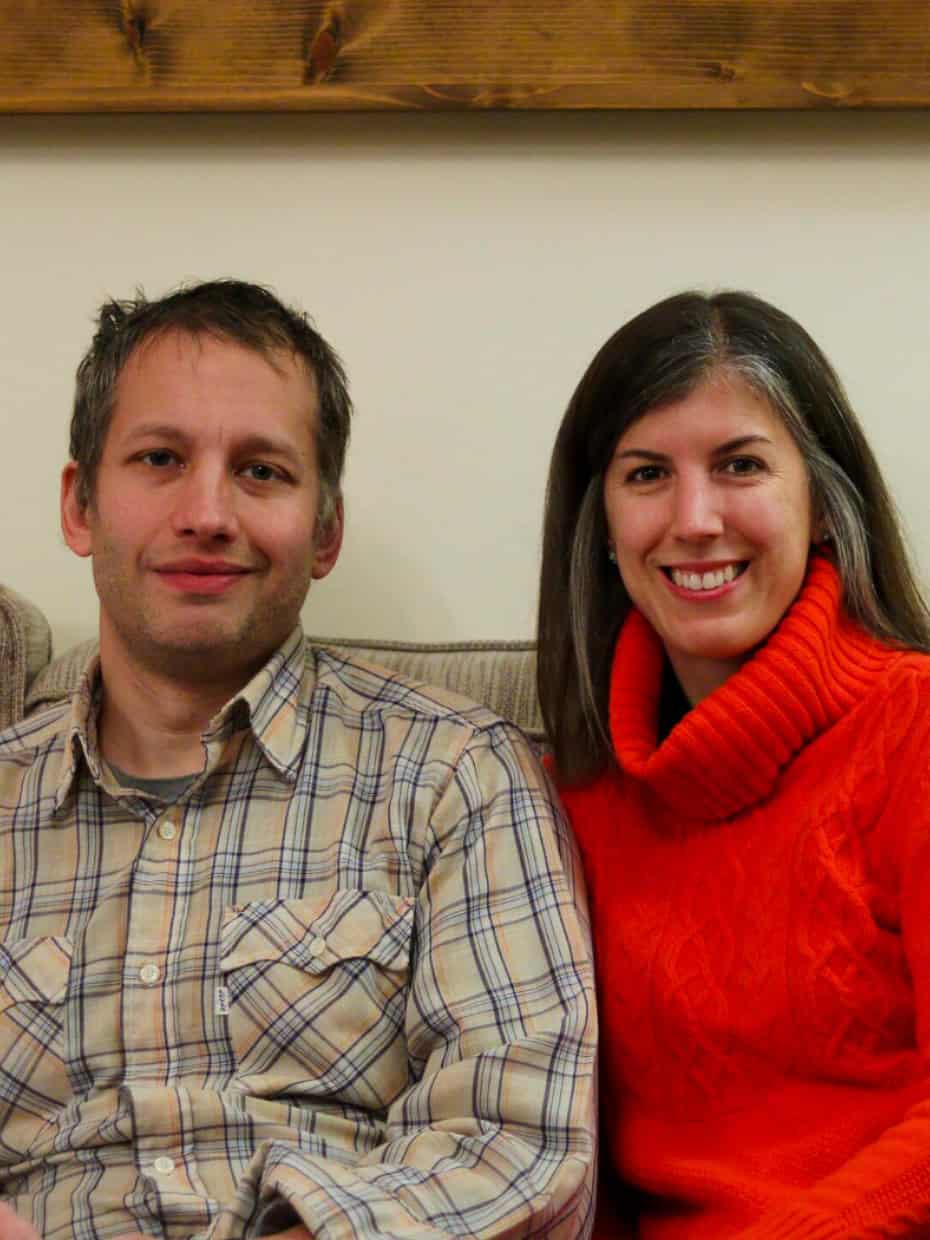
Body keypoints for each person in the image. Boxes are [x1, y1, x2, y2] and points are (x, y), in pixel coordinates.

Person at [0, 279, 596, 1239]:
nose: (207, 512)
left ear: (326, 531)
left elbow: (517, 1147)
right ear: (80, 505)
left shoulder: (452, 775)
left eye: (262, 472)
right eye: (159, 458)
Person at [537, 289, 930, 1238]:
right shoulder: (559, 794)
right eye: (646, 475)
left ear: (826, 507)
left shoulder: (914, 729)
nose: (696, 518)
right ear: (602, 528)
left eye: (740, 465)